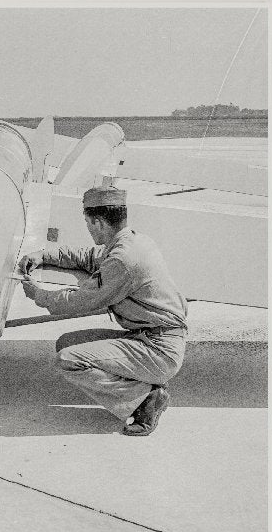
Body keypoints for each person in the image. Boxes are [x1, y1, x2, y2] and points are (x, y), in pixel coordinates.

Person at [19, 185, 188, 436]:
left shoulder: (122, 260)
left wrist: (39, 294)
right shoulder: (131, 242)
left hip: (159, 348)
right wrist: (44, 255)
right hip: (150, 336)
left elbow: (80, 301)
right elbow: (88, 257)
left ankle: (146, 399)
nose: (88, 230)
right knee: (68, 342)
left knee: (69, 360)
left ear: (98, 222)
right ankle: (141, 383)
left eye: (88, 224)